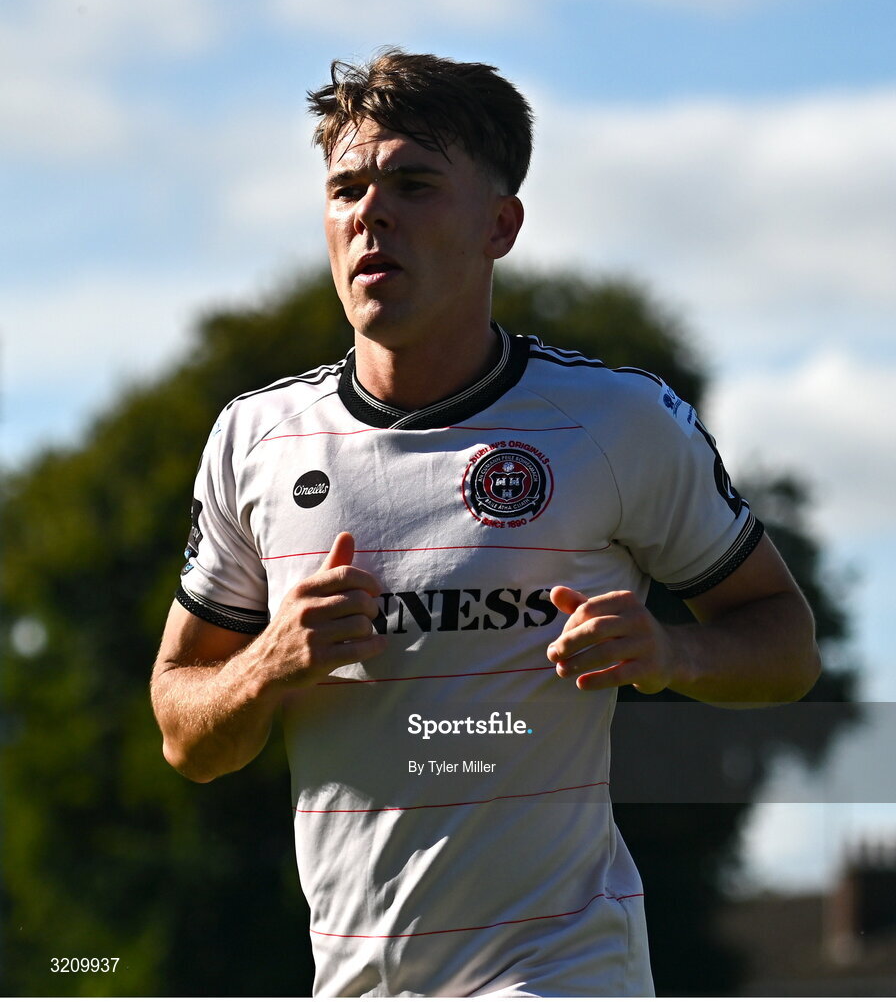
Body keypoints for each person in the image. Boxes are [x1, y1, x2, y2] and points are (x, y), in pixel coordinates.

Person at [151, 50, 820, 997]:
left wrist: (672, 654)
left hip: (559, 970)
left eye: (413, 183)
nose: (369, 214)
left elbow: (785, 644)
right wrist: (268, 663)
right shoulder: (257, 437)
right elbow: (185, 731)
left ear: (499, 225)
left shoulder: (616, 422)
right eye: (346, 189)